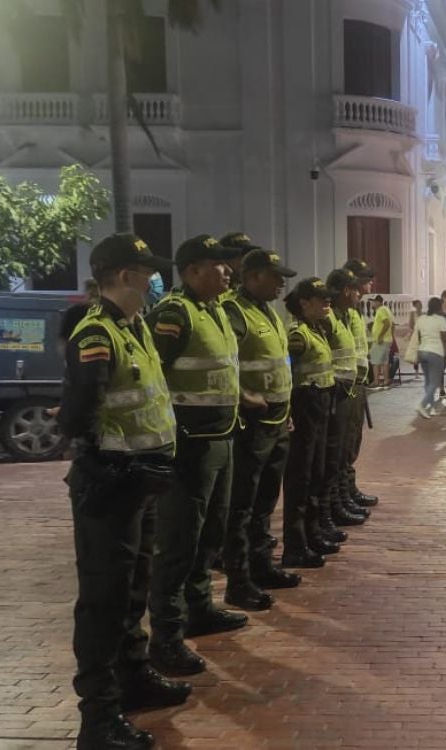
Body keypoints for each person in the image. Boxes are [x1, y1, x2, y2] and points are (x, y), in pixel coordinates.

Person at [58, 233, 184, 750]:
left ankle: (134, 678)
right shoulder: (96, 333)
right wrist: (106, 459)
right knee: (104, 602)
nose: (154, 279)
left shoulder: (134, 329)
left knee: (134, 588)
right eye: (147, 271)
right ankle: (99, 718)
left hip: (141, 480)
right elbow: (77, 413)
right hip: (110, 484)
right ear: (125, 275)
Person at [146, 235, 248, 677]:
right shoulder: (174, 313)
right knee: (179, 542)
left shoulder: (215, 311)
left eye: (228, 266)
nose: (227, 272)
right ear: (191, 272)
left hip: (221, 437)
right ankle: (166, 638)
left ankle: (199, 607)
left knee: (211, 532)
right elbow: (155, 376)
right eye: (217, 265)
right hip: (189, 444)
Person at [220, 248, 302, 612]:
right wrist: (240, 395)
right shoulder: (234, 312)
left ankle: (261, 565)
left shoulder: (267, 311)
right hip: (251, 425)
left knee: (266, 501)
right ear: (251, 276)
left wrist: (285, 410)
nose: (282, 283)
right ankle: (239, 581)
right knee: (243, 504)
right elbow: (224, 362)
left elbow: (279, 363)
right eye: (274, 276)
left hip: (275, 421)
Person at [282, 277, 339, 568]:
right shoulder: (298, 334)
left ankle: (312, 533)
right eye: (321, 299)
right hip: (304, 406)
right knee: (301, 477)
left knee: (316, 472)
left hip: (320, 405)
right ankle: (295, 544)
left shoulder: (316, 330)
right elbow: (286, 369)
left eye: (329, 299)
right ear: (305, 303)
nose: (327, 303)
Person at [321, 269, 371, 530]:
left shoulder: (348, 315)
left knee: (347, 447)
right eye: (356, 287)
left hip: (352, 388)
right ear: (344, 290)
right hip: (334, 393)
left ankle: (342, 497)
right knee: (333, 454)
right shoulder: (328, 318)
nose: (361, 291)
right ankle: (332, 507)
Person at [340, 259, 380, 511]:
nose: (369, 284)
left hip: (357, 383)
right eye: (364, 280)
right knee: (343, 443)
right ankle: (340, 495)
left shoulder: (355, 310)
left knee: (353, 439)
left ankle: (347, 488)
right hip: (344, 386)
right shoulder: (341, 311)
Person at [414, 296, 446, 418]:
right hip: (436, 352)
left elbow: (418, 336)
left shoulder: (421, 319)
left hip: (422, 351)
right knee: (434, 382)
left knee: (428, 381)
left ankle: (432, 405)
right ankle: (422, 404)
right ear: (439, 307)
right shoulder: (441, 320)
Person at [369, 295, 394, 387]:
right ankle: (386, 380)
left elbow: (387, 323)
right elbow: (392, 325)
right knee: (385, 362)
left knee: (376, 361)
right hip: (387, 340)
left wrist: (380, 336)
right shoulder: (386, 309)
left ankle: (376, 382)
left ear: (379, 302)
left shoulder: (381, 310)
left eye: (373, 301)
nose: (372, 303)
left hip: (381, 340)